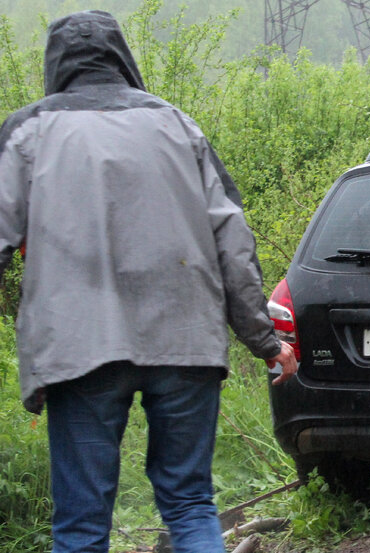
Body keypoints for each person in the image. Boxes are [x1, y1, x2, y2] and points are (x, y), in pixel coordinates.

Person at [0, 11, 297, 553]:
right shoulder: (179, 126)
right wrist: (266, 341)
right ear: (122, 59)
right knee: (188, 503)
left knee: (82, 525)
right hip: (185, 342)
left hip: (78, 347)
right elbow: (233, 241)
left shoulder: (27, 131)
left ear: (55, 65)